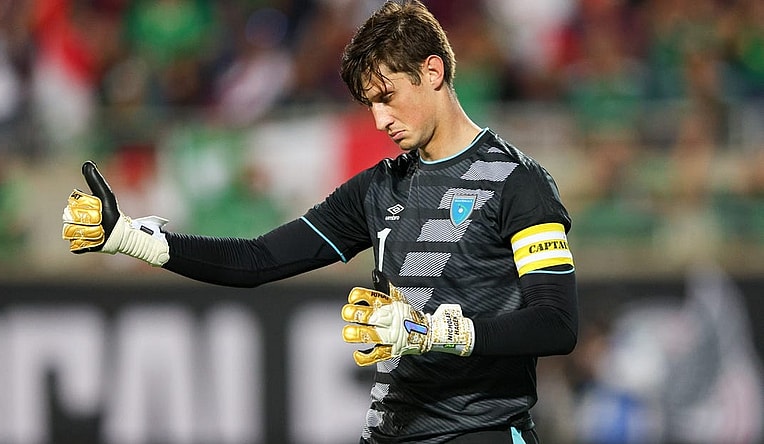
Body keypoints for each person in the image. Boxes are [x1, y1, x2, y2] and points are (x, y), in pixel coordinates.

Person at [62, 1, 578, 443]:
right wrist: (132, 239)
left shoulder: (518, 182)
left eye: (388, 96)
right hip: (390, 432)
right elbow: (259, 260)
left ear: (434, 71)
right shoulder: (377, 188)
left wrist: (434, 333)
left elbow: (557, 323)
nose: (380, 120)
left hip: (480, 434)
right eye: (369, 104)